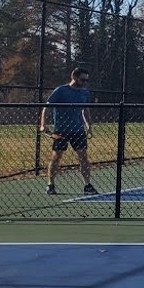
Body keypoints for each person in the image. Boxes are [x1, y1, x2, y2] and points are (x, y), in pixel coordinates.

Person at [38, 67, 97, 196]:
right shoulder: (60, 91)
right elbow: (46, 108)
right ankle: (50, 185)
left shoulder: (85, 92)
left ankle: (87, 185)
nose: (85, 83)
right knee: (56, 157)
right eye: (82, 80)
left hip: (78, 131)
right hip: (61, 131)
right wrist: (43, 124)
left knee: (83, 157)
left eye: (87, 80)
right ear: (74, 77)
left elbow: (85, 110)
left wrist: (89, 126)